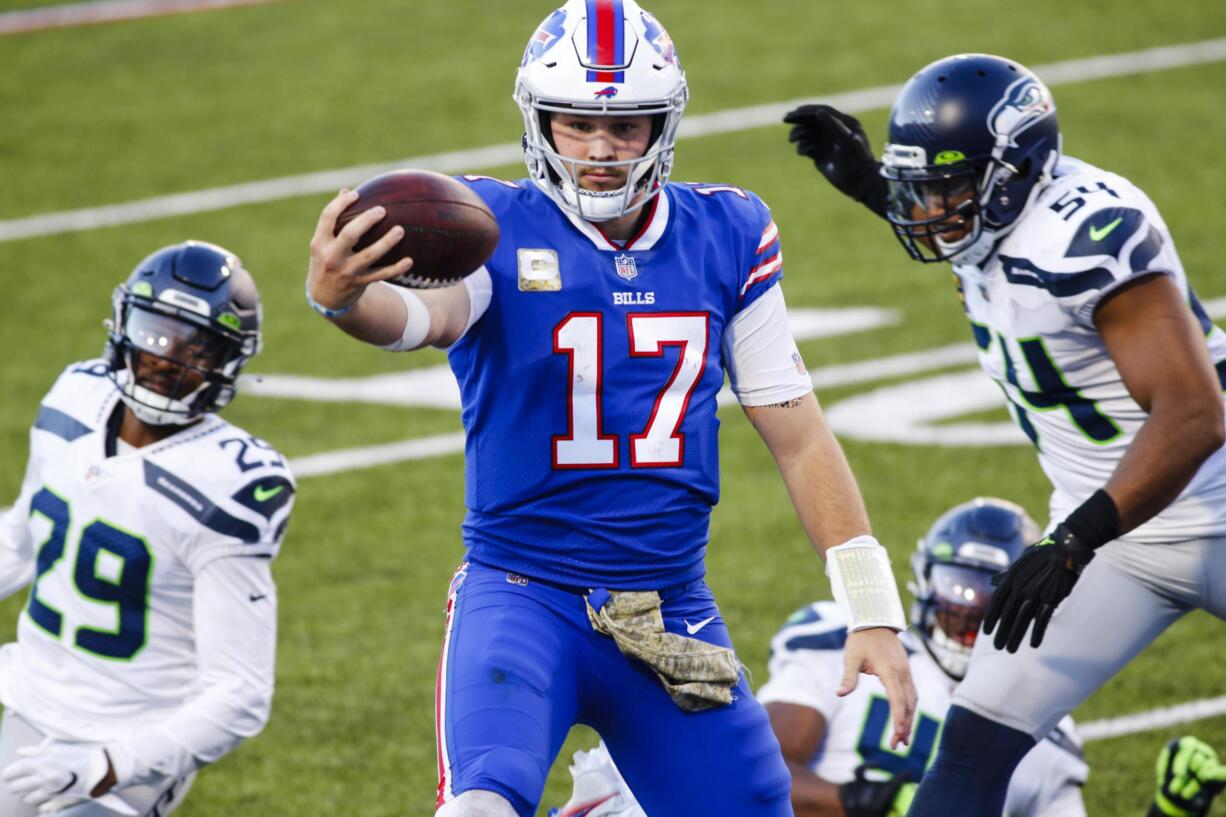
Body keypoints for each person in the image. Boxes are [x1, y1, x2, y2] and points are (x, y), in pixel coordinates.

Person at [304, 2, 916, 815]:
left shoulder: (728, 231)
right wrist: (343, 300)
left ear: (663, 124)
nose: (599, 149)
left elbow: (798, 434)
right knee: (481, 805)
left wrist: (871, 609)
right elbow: (421, 318)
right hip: (524, 595)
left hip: (669, 605)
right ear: (538, 120)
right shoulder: (491, 227)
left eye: (625, 125)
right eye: (575, 122)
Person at [784, 52, 1226, 816]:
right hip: (1111, 533)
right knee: (967, 755)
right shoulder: (988, 224)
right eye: (919, 187)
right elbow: (967, 232)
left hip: (1200, 507)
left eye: (946, 187)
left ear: (1016, 174)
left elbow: (1195, 413)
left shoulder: (1087, 238)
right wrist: (870, 187)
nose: (926, 209)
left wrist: (1073, 539)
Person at [551, 499, 1091, 817]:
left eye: (986, 601)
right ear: (926, 583)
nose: (966, 617)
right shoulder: (853, 645)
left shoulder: (1044, 718)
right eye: (956, 594)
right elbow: (762, 768)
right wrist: (859, 801)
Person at [0, 241, 293, 816]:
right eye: (156, 333)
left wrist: (109, 764)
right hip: (30, 705)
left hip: (131, 745)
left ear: (229, 361)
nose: (167, 359)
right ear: (124, 325)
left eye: (197, 346)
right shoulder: (74, 398)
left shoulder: (231, 482)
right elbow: (20, 541)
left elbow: (239, 693)